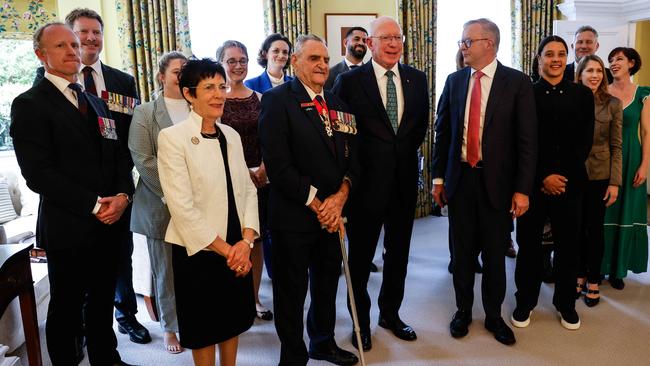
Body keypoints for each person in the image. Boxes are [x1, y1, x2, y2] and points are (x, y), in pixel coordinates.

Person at [11, 22, 134, 365]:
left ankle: (106, 358)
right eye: (62, 46)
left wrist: (124, 196)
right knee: (66, 307)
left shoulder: (96, 103)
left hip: (110, 223)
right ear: (41, 54)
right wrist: (94, 204)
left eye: (75, 45)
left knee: (102, 302)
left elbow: (118, 155)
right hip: (69, 227)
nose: (72, 51)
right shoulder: (30, 104)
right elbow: (39, 174)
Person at [34, 8, 150, 345]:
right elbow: (43, 164)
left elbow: (126, 143)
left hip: (115, 201)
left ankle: (124, 321)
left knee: (116, 273)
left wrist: (123, 194)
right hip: (70, 213)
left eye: (95, 33)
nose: (86, 41)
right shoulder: (40, 92)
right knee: (70, 301)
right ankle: (79, 338)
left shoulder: (120, 83)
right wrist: (93, 203)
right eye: (78, 35)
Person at [432, 18, 537, 345]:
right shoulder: (454, 80)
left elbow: (527, 140)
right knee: (461, 254)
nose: (462, 47)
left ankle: (493, 316)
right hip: (460, 180)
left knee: (494, 254)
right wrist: (438, 179)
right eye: (462, 42)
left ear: (489, 44)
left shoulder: (517, 83)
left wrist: (522, 189)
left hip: (499, 185)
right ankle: (463, 311)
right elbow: (443, 133)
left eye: (467, 41)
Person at [258, 34, 360, 366]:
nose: (322, 65)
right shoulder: (276, 100)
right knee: (292, 290)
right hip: (294, 216)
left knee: (327, 281)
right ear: (296, 61)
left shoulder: (338, 103)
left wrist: (340, 198)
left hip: (333, 215)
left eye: (326, 60)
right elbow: (278, 165)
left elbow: (354, 159)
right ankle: (293, 355)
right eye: (314, 58)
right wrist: (320, 205)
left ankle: (322, 342)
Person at [332, 16, 429, 351]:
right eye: (385, 37)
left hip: (403, 183)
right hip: (364, 186)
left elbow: (418, 128)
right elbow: (343, 136)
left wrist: (399, 154)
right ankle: (361, 322)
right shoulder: (348, 82)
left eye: (397, 37)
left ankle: (391, 313)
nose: (392, 43)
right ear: (369, 43)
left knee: (398, 254)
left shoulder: (418, 79)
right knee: (359, 260)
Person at [157, 58, 258, 366]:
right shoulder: (172, 138)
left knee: (232, 320)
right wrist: (230, 252)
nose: (218, 95)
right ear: (189, 94)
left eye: (221, 86)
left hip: (237, 243)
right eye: (208, 88)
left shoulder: (231, 134)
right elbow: (182, 207)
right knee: (204, 327)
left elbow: (248, 190)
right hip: (199, 248)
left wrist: (247, 242)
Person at [511, 35, 594, 331]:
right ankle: (525, 302)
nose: (556, 59)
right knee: (529, 246)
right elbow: (521, 141)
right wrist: (543, 176)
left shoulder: (583, 95)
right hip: (533, 183)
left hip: (571, 182)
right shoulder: (526, 93)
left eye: (561, 53)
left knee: (569, 246)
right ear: (539, 58)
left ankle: (565, 304)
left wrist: (561, 177)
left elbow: (584, 142)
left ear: (567, 56)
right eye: (549, 54)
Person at [129, 51, 188, 354]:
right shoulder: (146, 112)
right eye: (177, 70)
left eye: (187, 70)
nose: (182, 75)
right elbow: (143, 158)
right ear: (162, 76)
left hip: (199, 203)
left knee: (196, 268)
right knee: (165, 270)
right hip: (159, 203)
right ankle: (170, 327)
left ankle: (195, 319)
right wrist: (175, 194)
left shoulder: (200, 108)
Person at [217, 40, 273, 321]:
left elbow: (270, 139)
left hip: (259, 180)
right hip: (227, 179)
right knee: (231, 239)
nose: (238, 66)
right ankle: (230, 300)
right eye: (231, 60)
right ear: (221, 64)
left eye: (243, 60)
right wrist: (242, 171)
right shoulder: (215, 99)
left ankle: (253, 299)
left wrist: (263, 168)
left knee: (256, 240)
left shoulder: (260, 98)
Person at [575, 54, 623, 307]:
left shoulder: (613, 104)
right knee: (575, 229)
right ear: (580, 74)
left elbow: (617, 146)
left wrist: (614, 182)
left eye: (598, 71)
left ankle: (594, 280)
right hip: (573, 175)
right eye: (588, 70)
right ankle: (579, 274)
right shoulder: (570, 99)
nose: (594, 75)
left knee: (594, 230)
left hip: (600, 176)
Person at [602, 47, 650, 289]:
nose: (613, 63)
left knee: (625, 212)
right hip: (604, 157)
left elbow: (646, 132)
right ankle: (598, 266)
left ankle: (618, 270)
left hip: (631, 158)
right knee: (603, 212)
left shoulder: (643, 94)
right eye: (610, 60)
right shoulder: (602, 91)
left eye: (619, 59)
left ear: (632, 63)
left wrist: (645, 165)